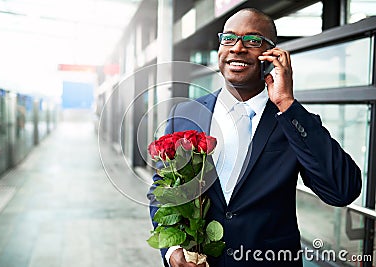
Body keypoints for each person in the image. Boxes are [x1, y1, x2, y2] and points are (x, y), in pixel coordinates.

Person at [147, 7, 362, 267]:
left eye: (253, 40)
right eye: (229, 38)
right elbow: (163, 189)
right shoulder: (186, 113)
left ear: (272, 54)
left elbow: (342, 191)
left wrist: (286, 102)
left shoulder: (292, 121)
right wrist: (172, 250)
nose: (237, 48)